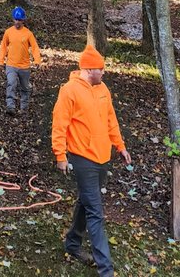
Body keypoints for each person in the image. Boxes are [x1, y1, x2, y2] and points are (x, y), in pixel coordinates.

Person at [51, 45, 131, 273]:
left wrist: (120, 146)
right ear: (88, 69)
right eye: (101, 68)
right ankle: (106, 269)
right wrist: (60, 155)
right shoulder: (69, 90)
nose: (104, 72)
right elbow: (59, 124)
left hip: (102, 156)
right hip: (82, 157)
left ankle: (73, 243)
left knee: (86, 202)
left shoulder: (103, 88)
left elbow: (111, 120)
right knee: (96, 211)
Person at [0, 6, 42, 116]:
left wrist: (37, 61)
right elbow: (3, 46)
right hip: (11, 65)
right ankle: (10, 106)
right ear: (13, 19)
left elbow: (35, 47)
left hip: (24, 66)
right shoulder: (8, 32)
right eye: (16, 20)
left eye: (20, 20)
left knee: (25, 87)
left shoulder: (28, 34)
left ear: (23, 20)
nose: (18, 22)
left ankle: (24, 108)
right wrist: (0, 61)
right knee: (11, 84)